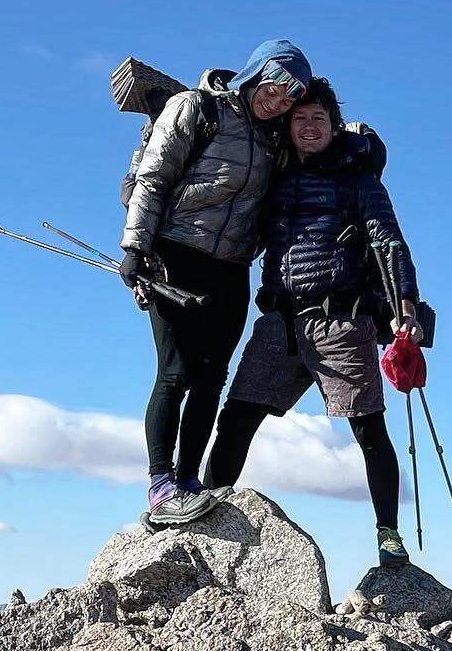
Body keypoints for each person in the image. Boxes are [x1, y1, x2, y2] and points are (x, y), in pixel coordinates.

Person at [205, 78, 422, 567]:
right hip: (279, 322)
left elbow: (390, 245)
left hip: (341, 322)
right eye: (299, 118)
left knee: (368, 430)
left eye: (318, 119)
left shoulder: (359, 182)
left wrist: (404, 308)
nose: (308, 126)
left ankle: (389, 536)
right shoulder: (273, 177)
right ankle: (209, 517)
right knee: (235, 418)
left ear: (334, 126)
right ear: (288, 124)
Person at [119, 39, 312, 525]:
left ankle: (188, 482)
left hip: (232, 268)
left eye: (291, 99)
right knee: (177, 371)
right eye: (276, 87)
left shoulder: (276, 140)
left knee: (212, 380)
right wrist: (136, 248)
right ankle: (161, 486)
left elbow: (322, 142)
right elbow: (153, 177)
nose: (279, 102)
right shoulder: (196, 108)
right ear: (255, 72)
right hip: (175, 255)